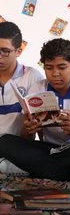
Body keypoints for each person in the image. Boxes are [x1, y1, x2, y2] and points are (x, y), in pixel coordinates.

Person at [0, 38, 70, 181]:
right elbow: (28, 139)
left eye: (62, 67)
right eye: (49, 68)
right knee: (5, 141)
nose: (55, 74)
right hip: (49, 149)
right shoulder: (38, 88)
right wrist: (29, 129)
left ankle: (38, 169)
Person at [0, 21, 43, 175]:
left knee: (7, 143)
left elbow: (34, 132)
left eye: (5, 51)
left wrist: (30, 127)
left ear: (18, 51)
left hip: (17, 146)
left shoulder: (32, 77)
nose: (0, 57)